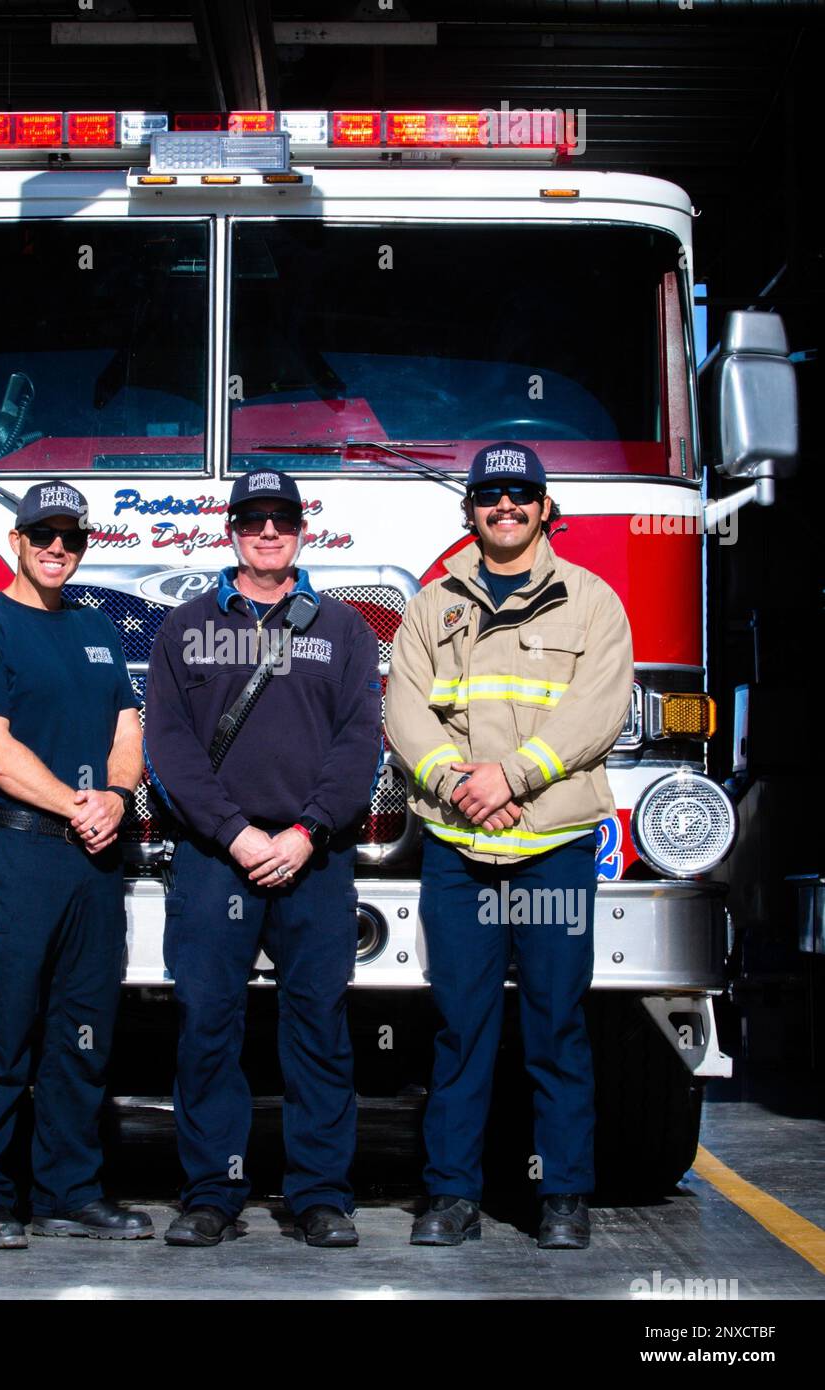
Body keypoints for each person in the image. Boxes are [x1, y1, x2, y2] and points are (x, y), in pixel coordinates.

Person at [385, 442, 633, 1250]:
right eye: (488, 495)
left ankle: (561, 1197)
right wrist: (461, 783)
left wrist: (514, 777)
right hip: (458, 851)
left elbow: (596, 711)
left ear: (542, 507)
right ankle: (450, 1196)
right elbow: (403, 711)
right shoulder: (430, 606)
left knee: (556, 1023)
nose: (504, 507)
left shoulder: (593, 602)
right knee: (460, 1027)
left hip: (552, 845)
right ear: (469, 510)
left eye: (519, 495)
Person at [144, 469, 382, 1248]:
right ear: (232, 533)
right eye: (254, 520)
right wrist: (235, 833)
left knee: (316, 1026)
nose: (268, 532)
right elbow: (169, 749)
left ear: (302, 532)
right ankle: (210, 1193)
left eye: (282, 520)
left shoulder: (343, 630)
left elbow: (359, 742)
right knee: (208, 1022)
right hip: (217, 857)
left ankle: (319, 1195)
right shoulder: (183, 627)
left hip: (313, 858)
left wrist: (307, 830)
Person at [0, 480, 152, 1247]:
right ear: (18, 543)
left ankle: (71, 1190)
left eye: (71, 537)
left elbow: (129, 725)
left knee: (81, 1034)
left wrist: (118, 796)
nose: (57, 548)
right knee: (1, 1032)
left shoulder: (95, 631)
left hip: (93, 864)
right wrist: (76, 803)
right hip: (18, 853)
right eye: (43, 536)